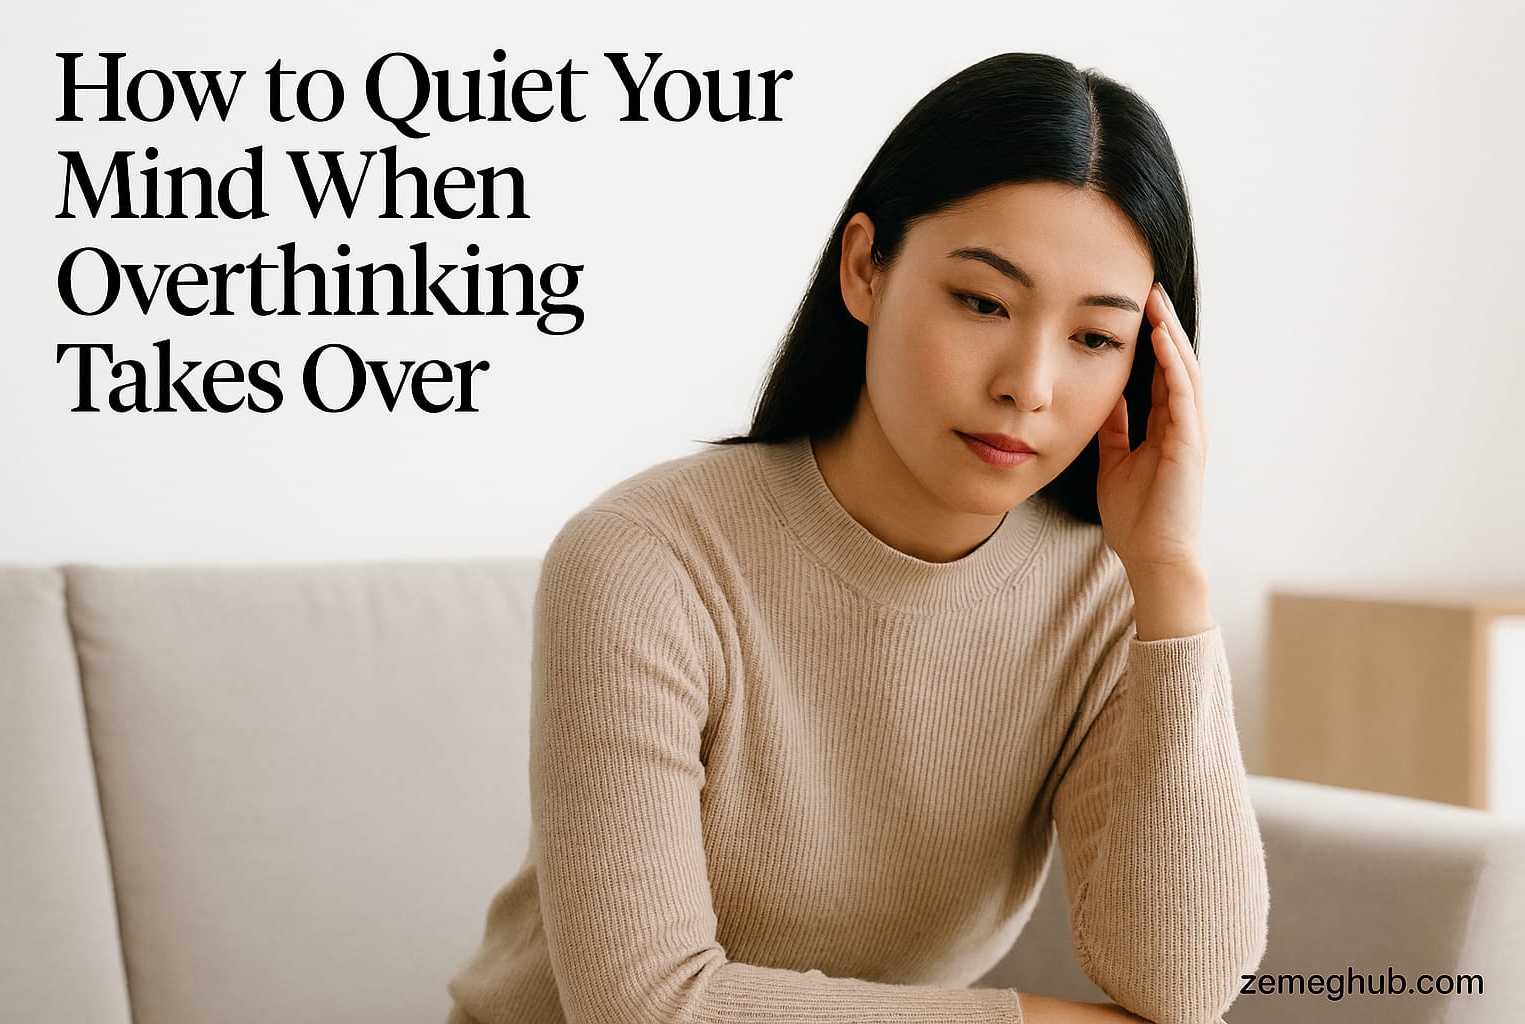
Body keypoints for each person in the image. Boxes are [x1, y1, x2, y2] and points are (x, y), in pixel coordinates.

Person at [446, 52, 1269, 1024]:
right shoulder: (646, 556)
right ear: (864, 267)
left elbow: (1184, 985)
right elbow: (643, 1007)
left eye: (1095, 337)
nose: (1029, 383)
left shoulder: (1105, 590)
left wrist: (1171, 581)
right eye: (983, 302)